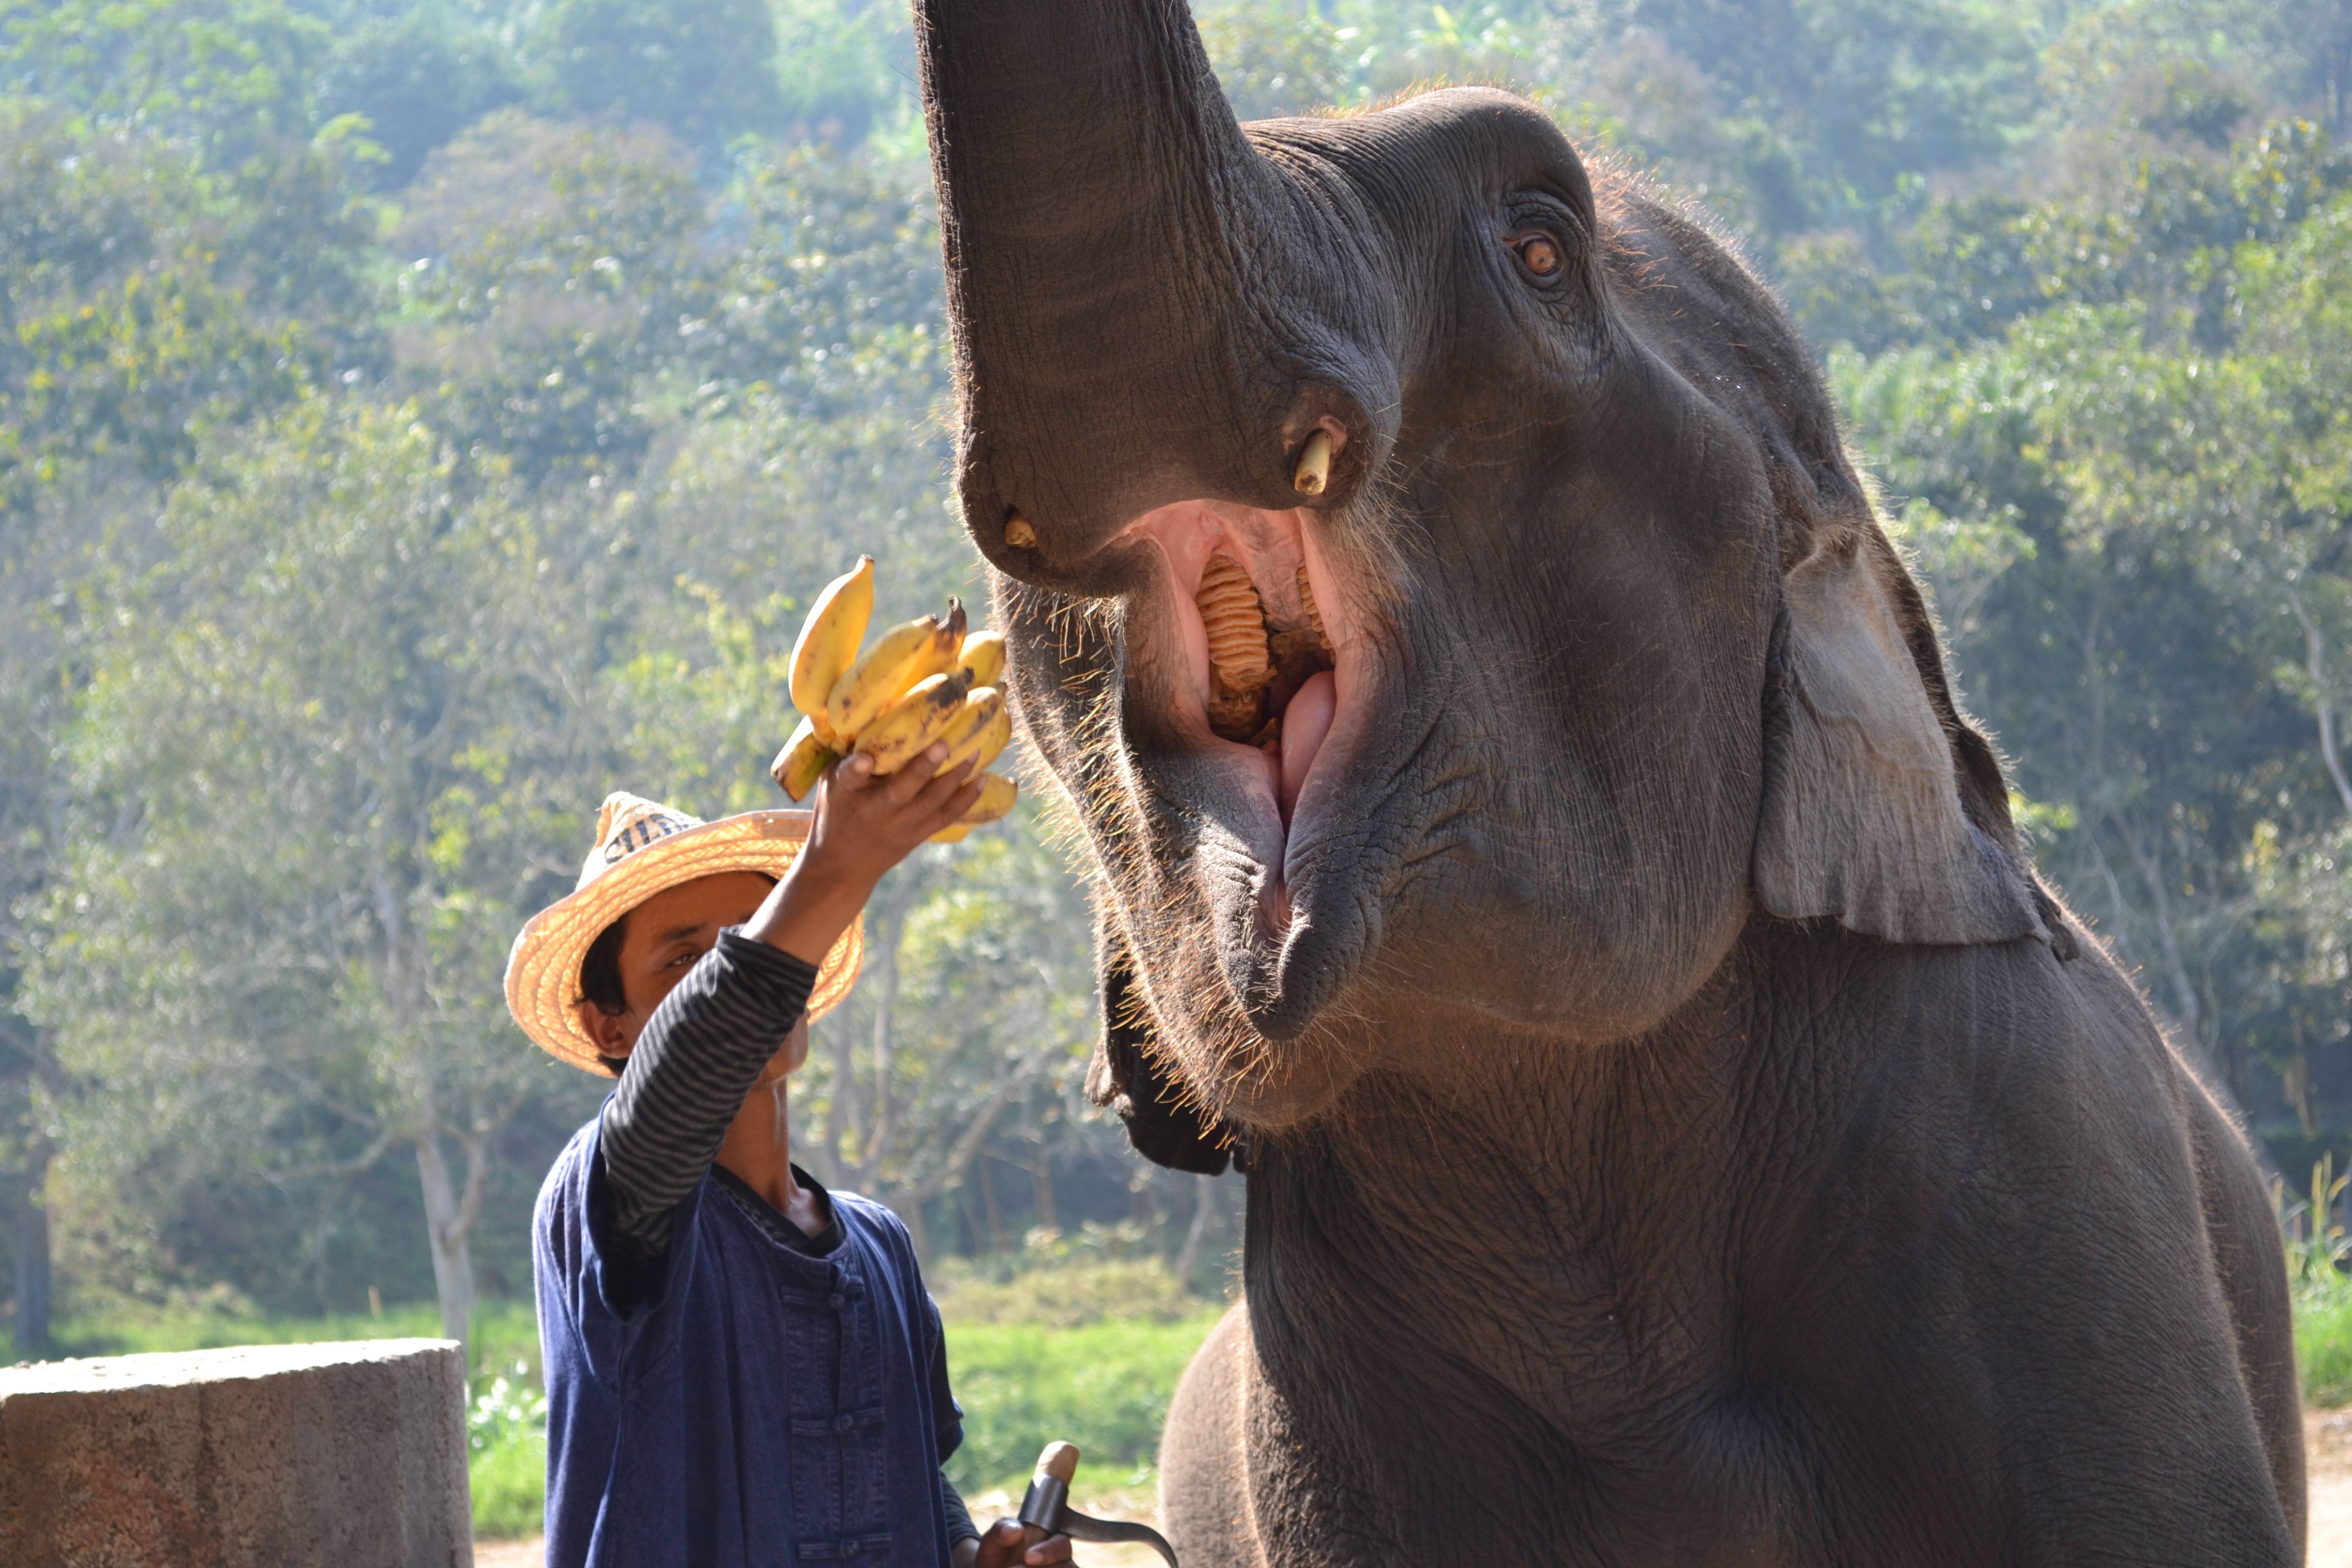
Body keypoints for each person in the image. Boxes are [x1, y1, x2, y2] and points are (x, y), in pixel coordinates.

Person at [504, 743, 1074, 1568]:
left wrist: (967, 1553)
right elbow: (686, 1070)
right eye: (681, 959)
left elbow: (909, 1470)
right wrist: (833, 869)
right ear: (609, 1025)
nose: (732, 975)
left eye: (751, 941)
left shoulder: (881, 1246)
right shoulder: (607, 1198)